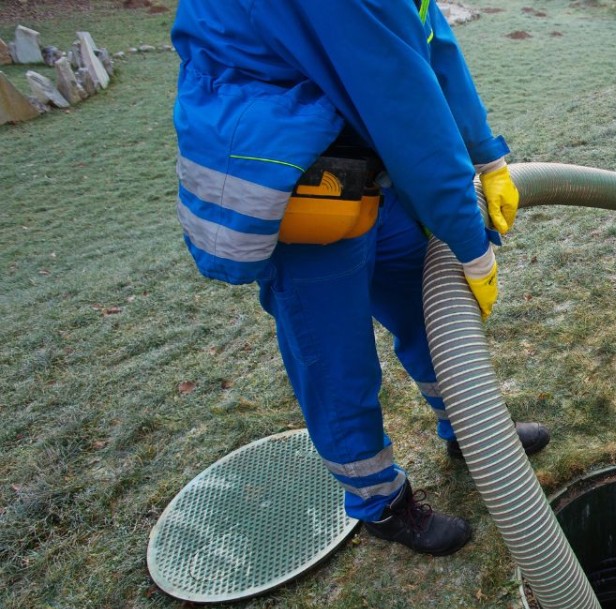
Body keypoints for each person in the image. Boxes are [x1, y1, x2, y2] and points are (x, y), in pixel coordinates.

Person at [171, 0, 550, 557]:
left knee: (428, 314)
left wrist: (486, 156)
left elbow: (428, 43)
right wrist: (471, 248)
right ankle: (381, 502)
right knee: (338, 362)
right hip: (295, 182)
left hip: (363, 158)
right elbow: (404, 106)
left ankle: (470, 430)